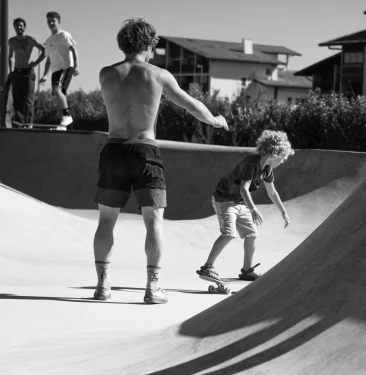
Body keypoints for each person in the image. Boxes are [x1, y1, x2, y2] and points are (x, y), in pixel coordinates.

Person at [93, 18, 229, 303]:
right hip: (145, 152)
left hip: (114, 150)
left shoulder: (105, 74)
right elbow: (191, 105)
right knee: (153, 222)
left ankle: (103, 285)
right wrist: (216, 120)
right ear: (148, 44)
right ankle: (153, 288)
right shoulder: (159, 75)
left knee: (106, 221)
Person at [197, 130, 293, 283]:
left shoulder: (267, 170)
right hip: (224, 199)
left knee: (251, 234)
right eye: (282, 157)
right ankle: (207, 267)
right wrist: (254, 209)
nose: (283, 161)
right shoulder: (251, 164)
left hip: (239, 202)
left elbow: (272, 192)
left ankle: (247, 270)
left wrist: (283, 211)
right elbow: (244, 189)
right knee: (229, 233)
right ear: (274, 154)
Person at [39, 11, 79, 130]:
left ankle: (67, 115)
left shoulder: (64, 35)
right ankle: (63, 125)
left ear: (58, 22)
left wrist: (77, 66)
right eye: (49, 21)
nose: (51, 23)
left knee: (57, 89)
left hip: (66, 67)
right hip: (56, 70)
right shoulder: (49, 40)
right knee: (59, 95)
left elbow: (74, 50)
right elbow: (48, 60)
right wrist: (45, 75)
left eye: (53, 21)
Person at [8, 17, 45, 126]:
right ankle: (19, 123)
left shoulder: (30, 39)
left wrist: (36, 63)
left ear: (24, 27)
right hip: (16, 72)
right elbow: (10, 56)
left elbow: (44, 51)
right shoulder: (11, 41)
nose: (19, 27)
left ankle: (29, 124)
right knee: (17, 100)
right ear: (14, 27)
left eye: (21, 25)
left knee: (28, 101)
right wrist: (11, 71)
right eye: (16, 25)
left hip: (28, 73)